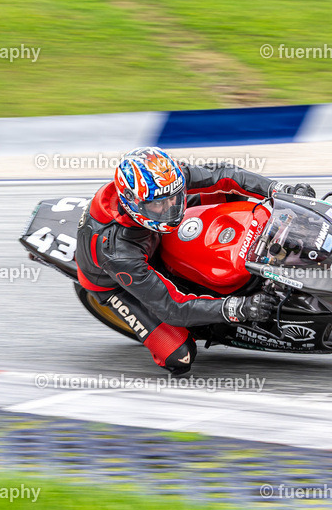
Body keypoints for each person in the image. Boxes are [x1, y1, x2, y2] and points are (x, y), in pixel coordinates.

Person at [75, 146, 315, 375]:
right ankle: (205, 323)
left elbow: (225, 174)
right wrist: (239, 308)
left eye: (175, 198)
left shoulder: (164, 182)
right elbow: (173, 308)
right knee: (180, 356)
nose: (171, 207)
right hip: (115, 283)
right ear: (132, 202)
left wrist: (279, 190)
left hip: (152, 232)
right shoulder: (118, 252)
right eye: (160, 203)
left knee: (227, 194)